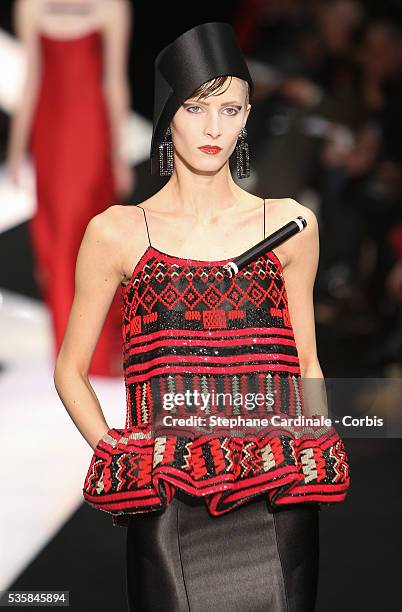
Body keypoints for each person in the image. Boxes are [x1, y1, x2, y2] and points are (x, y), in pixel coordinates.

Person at [54, 22, 351, 612]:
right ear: (168, 114)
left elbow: (307, 357)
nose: (214, 128)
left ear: (247, 117)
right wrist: (120, 453)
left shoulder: (288, 224)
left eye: (231, 108)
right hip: (168, 497)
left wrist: (315, 442)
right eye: (195, 108)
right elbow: (71, 369)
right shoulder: (118, 232)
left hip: (278, 489)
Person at [6, 0, 134, 376]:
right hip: (51, 135)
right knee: (58, 241)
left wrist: (118, 154)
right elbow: (31, 79)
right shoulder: (30, 5)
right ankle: (74, 355)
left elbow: (114, 82)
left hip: (91, 133)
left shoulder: (112, 7)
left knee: (90, 237)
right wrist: (17, 151)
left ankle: (93, 350)